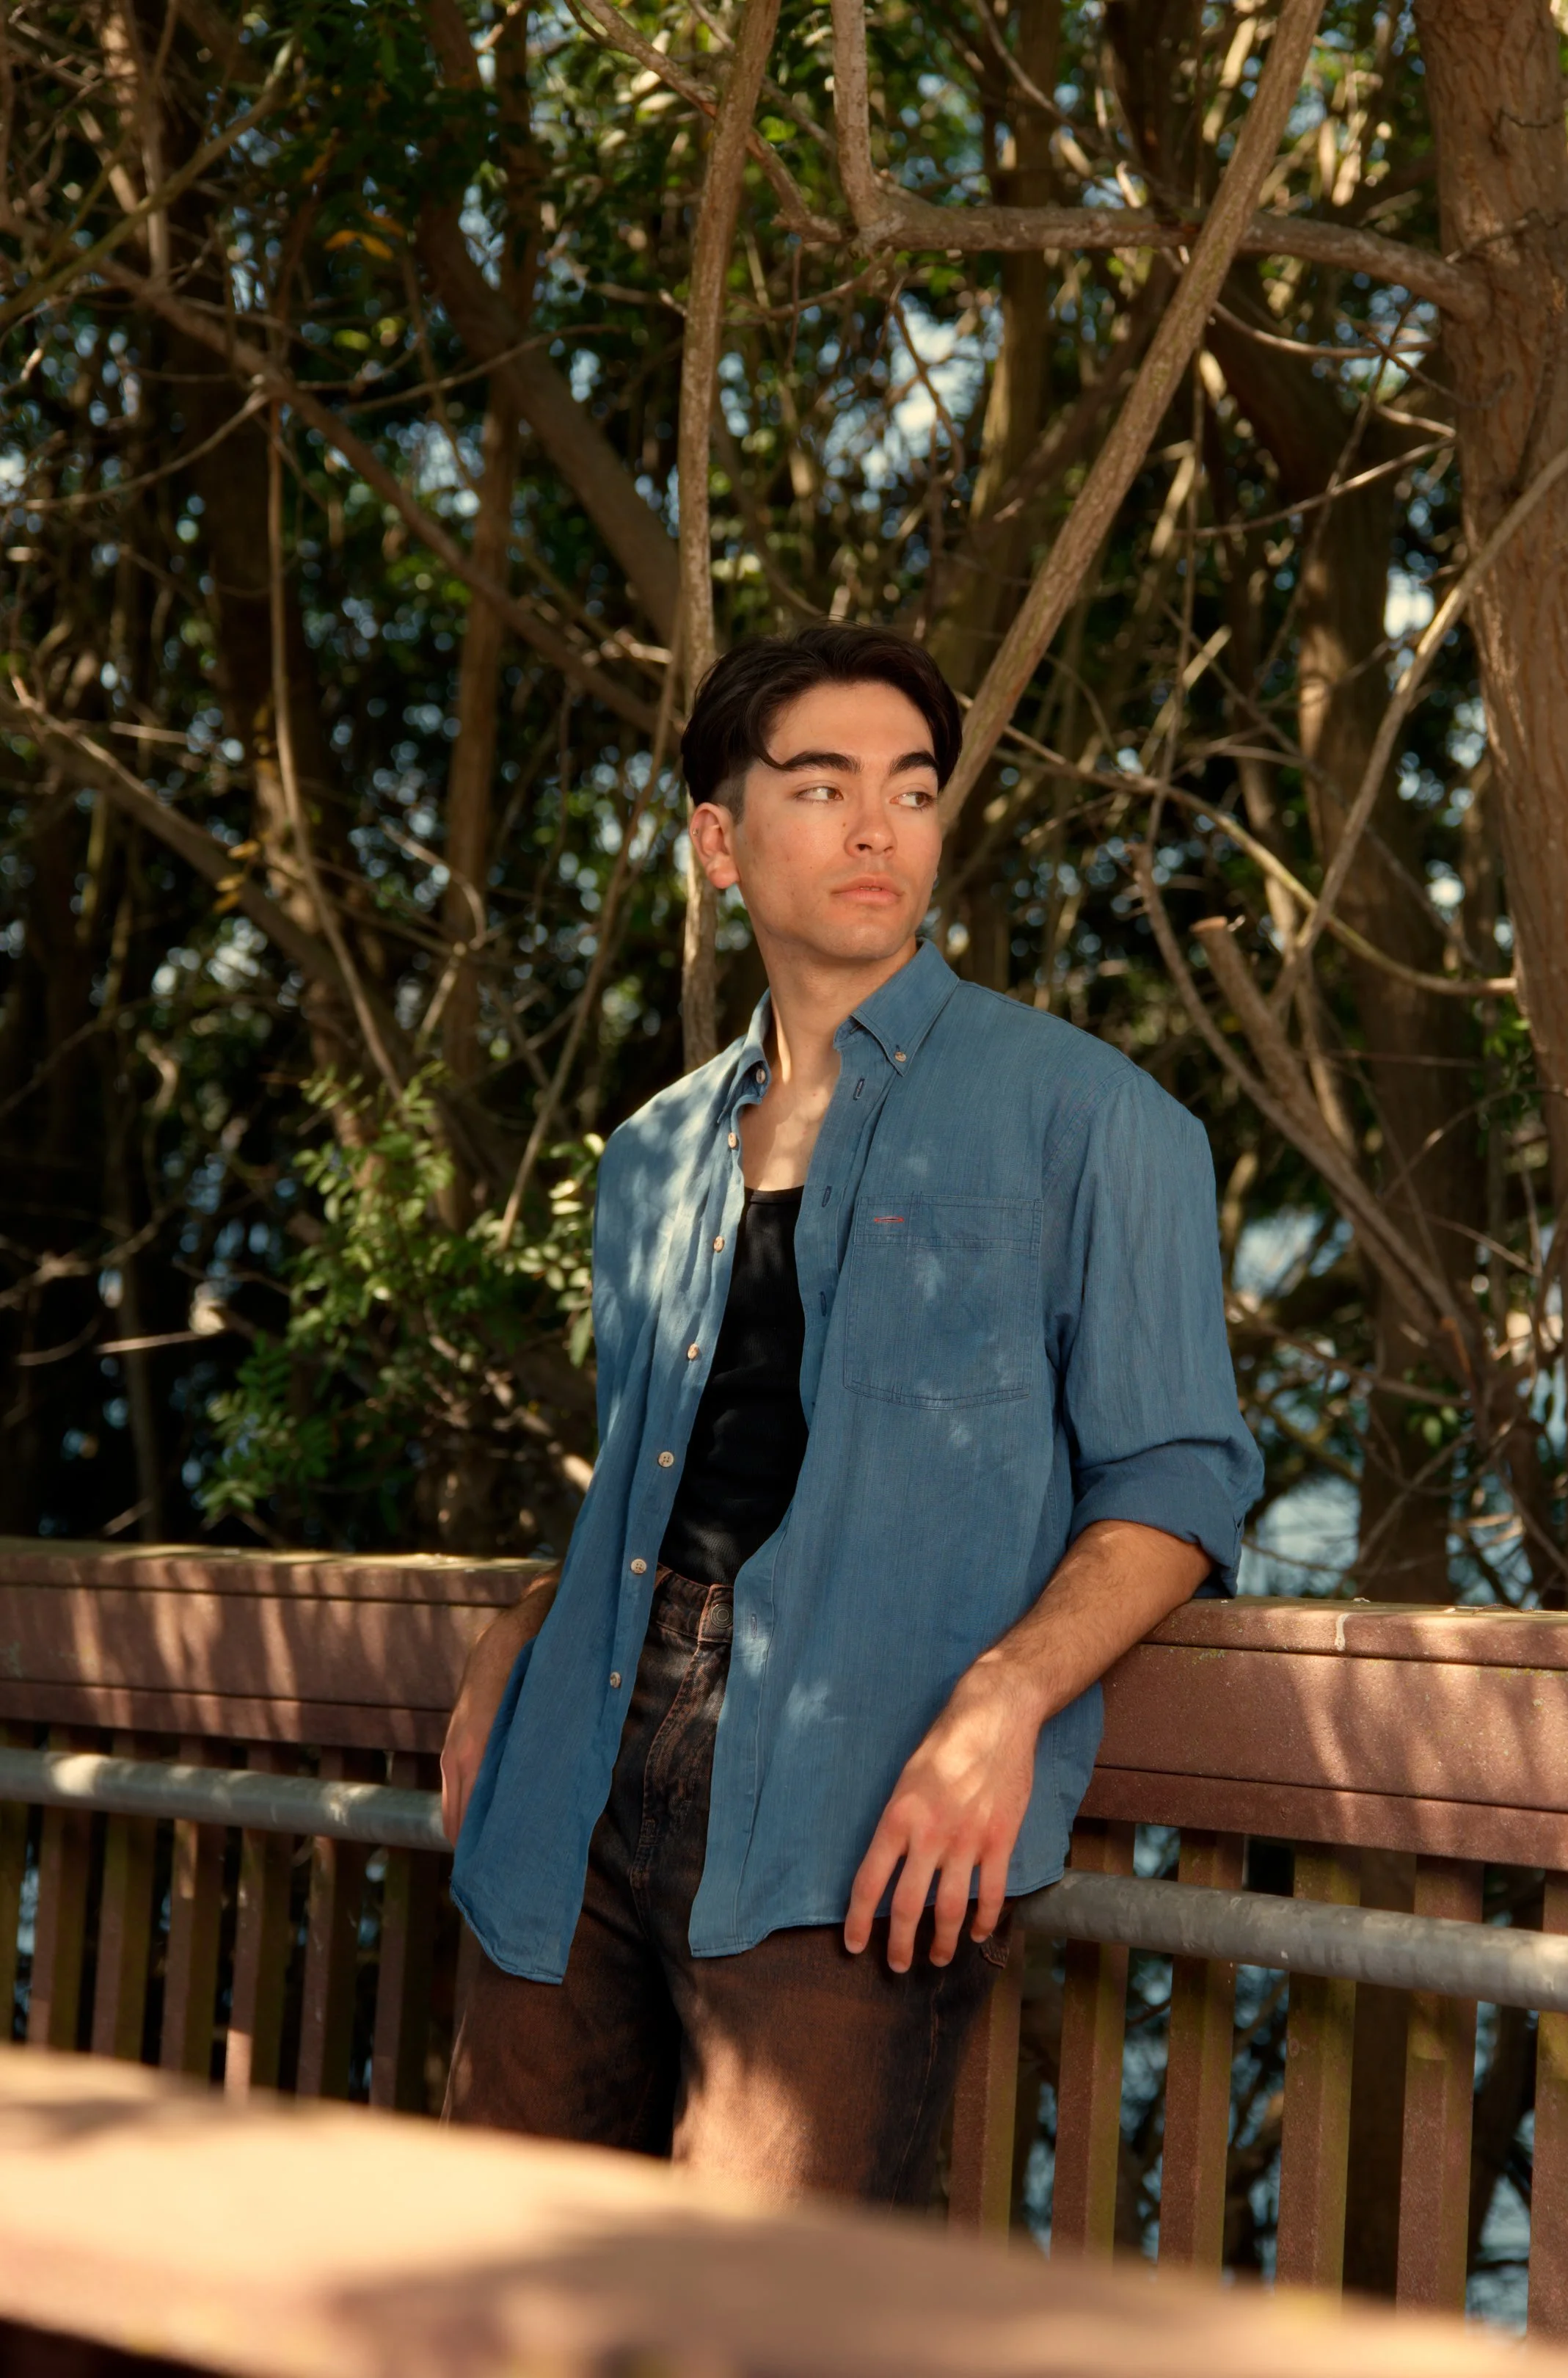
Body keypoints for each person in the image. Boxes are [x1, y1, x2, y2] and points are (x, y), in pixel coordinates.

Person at [441, 624, 1261, 2204]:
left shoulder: (1096, 1120)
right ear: (719, 841)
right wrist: (525, 1626)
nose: (879, 827)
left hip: (856, 1814)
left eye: (913, 787)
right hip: (566, 1797)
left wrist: (1004, 1704)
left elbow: (1180, 1480)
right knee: (507, 2286)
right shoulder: (651, 1156)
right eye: (821, 787)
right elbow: (668, 1474)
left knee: (773, 2325)